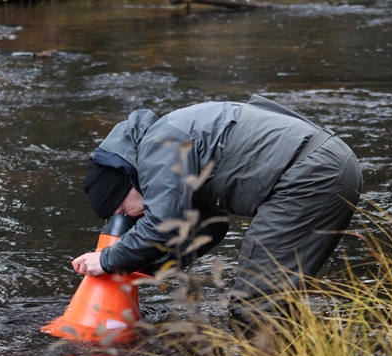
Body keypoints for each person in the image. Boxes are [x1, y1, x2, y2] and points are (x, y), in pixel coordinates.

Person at [72, 94, 362, 320]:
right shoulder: (168, 140)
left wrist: (108, 259)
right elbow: (211, 227)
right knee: (275, 299)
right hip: (332, 165)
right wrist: (140, 266)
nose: (131, 217)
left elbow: (161, 224)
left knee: (255, 308)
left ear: (127, 183)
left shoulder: (157, 146)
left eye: (122, 211)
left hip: (309, 174)